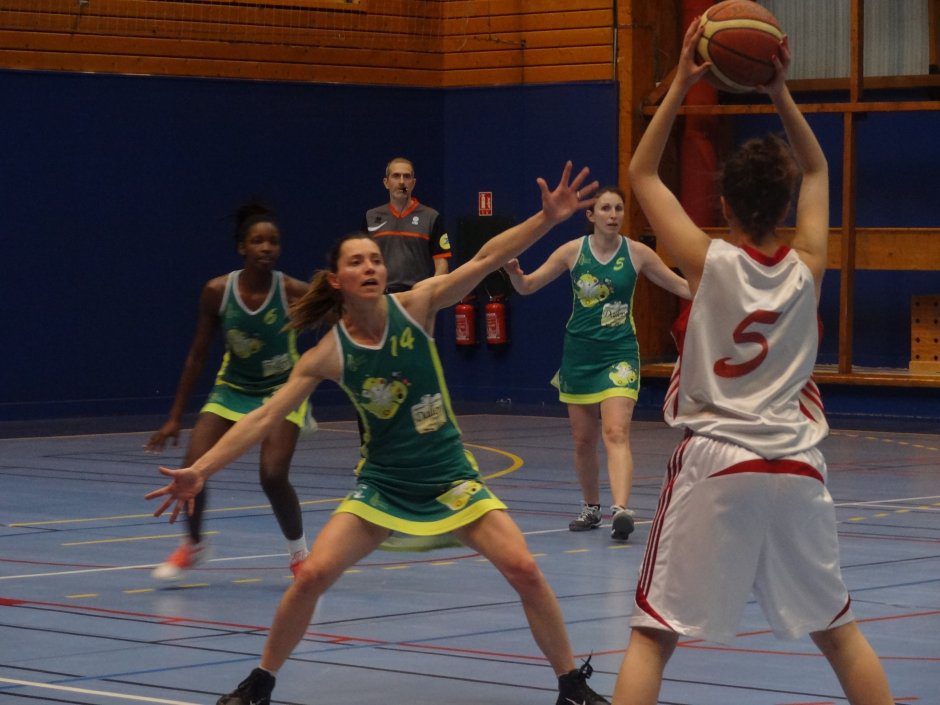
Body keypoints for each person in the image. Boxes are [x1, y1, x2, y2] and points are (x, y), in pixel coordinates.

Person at [147, 163, 612, 705]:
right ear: (338, 281)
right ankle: (259, 684)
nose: (370, 266)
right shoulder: (329, 355)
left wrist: (547, 218)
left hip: (449, 478)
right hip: (383, 487)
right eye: (357, 261)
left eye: (374, 258)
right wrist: (199, 471)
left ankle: (570, 685)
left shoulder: (415, 307)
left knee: (525, 569)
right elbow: (264, 416)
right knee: (313, 574)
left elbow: (486, 259)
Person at [612, 21, 894, 705]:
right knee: (840, 632)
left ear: (726, 207)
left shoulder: (708, 261)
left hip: (718, 459)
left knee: (653, 635)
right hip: (799, 466)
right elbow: (822, 167)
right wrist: (781, 92)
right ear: (787, 207)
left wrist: (681, 80)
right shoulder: (809, 267)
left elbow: (642, 173)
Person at [504, 186, 690, 541]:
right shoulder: (572, 252)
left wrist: (720, 283)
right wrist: (514, 273)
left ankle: (621, 509)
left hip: (619, 353)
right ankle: (591, 508)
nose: (613, 214)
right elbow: (527, 287)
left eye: (618, 208)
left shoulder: (638, 254)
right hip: (579, 355)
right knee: (583, 440)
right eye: (605, 208)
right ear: (591, 216)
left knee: (616, 432)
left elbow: (682, 286)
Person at [145, 203, 312, 581]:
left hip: (282, 391)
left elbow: (337, 314)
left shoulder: (291, 291)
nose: (266, 248)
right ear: (242, 248)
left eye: (273, 241)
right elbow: (197, 355)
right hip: (232, 389)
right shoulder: (217, 292)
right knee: (192, 467)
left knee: (272, 475)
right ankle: (195, 546)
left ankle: (300, 555)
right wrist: (175, 417)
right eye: (258, 241)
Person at [362, 156, 451, 293]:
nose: (402, 182)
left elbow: (442, 266)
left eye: (407, 177)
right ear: (386, 183)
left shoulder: (431, 217)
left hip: (416, 298)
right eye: (396, 176)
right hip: (380, 299)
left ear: (413, 183)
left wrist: (428, 294)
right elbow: (362, 262)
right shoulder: (371, 217)